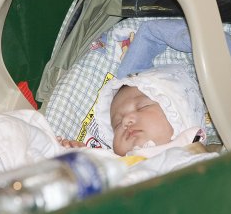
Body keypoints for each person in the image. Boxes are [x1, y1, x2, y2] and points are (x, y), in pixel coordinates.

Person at [59, 63, 210, 157]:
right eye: (116, 124)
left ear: (180, 112)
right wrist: (83, 156)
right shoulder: (115, 163)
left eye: (142, 107)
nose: (125, 120)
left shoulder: (191, 151)